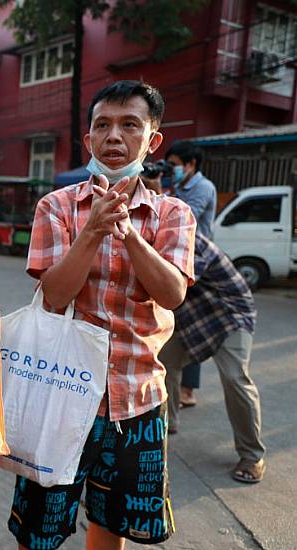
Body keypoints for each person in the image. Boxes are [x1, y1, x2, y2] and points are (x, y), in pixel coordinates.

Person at [11, 80, 196, 550]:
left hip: (136, 398)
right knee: (40, 528)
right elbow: (53, 296)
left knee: (112, 524)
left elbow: (173, 293)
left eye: (129, 125)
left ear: (152, 140)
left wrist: (129, 235)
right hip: (60, 393)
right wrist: (91, 233)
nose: (114, 137)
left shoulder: (174, 215)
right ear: (88, 140)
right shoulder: (55, 207)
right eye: (103, 126)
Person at [158, 234, 265, 482]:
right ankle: (168, 422)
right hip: (191, 319)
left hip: (228, 314)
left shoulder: (183, 231)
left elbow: (175, 283)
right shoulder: (146, 232)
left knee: (235, 377)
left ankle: (252, 456)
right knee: (164, 364)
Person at [165, 141, 217, 408]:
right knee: (176, 325)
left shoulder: (203, 187)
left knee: (191, 326)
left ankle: (188, 390)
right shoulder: (178, 187)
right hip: (176, 258)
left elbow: (185, 218)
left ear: (191, 164)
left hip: (197, 263)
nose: (170, 170)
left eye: (174, 165)